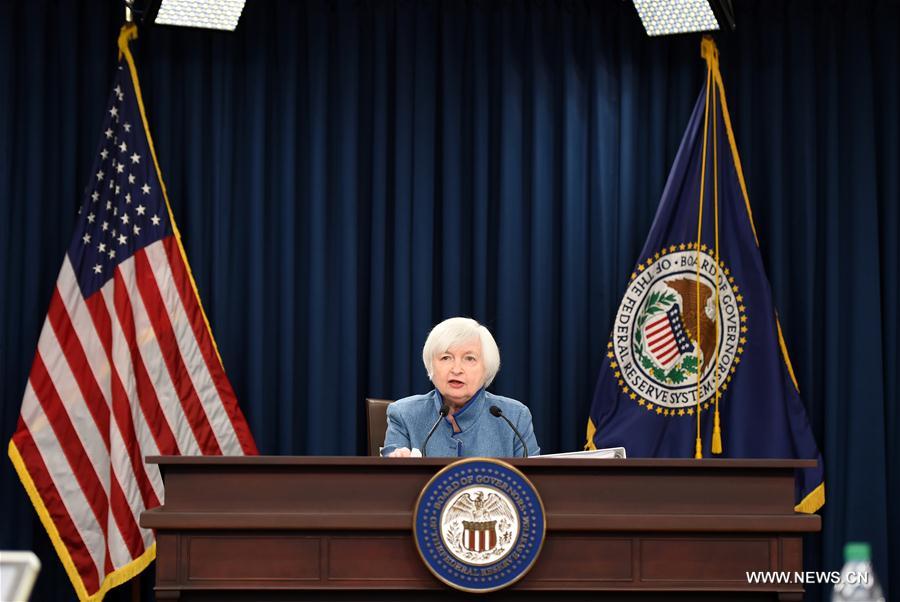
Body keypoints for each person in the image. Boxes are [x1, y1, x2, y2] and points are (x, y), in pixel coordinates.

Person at [382, 317, 540, 458]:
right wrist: (396, 458)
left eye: (469, 358)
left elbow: (532, 482)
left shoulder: (515, 416)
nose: (456, 369)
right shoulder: (404, 413)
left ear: (487, 367)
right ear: (431, 365)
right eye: (446, 358)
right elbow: (392, 475)